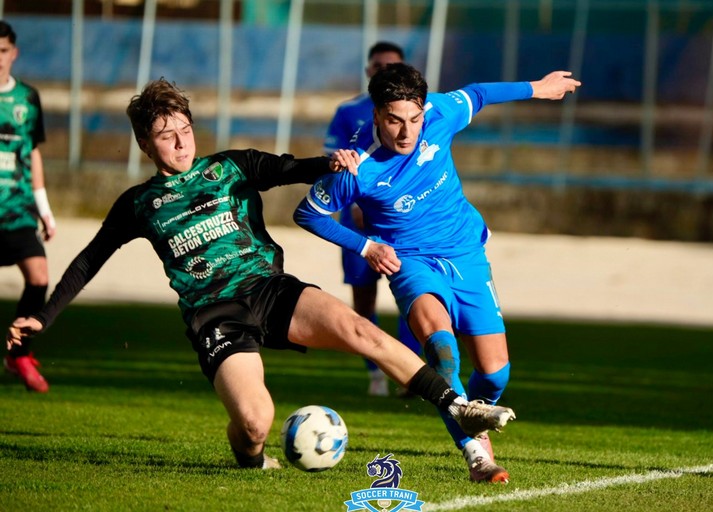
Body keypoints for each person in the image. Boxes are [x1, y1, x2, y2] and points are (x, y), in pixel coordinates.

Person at [6, 78, 516, 471]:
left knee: (366, 332)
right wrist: (43, 319)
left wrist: (335, 162)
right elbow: (88, 260)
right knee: (254, 424)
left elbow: (292, 168)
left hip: (271, 290)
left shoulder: (231, 167)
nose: (181, 143)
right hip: (215, 314)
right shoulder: (138, 204)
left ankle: (457, 405)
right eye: (166, 136)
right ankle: (252, 460)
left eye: (185, 130)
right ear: (145, 142)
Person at [295, 63, 581, 482]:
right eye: (394, 121)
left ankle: (473, 419)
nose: (407, 132)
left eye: (414, 119)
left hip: (466, 252)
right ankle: (476, 455)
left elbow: (479, 91)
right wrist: (367, 246)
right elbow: (308, 213)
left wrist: (538, 88)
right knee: (443, 349)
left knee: (496, 372)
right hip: (410, 262)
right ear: (376, 115)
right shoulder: (358, 165)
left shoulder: (440, 113)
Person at [324, 41, 420, 397]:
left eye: (390, 66)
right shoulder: (348, 111)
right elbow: (334, 163)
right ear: (368, 71)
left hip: (398, 225)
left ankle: (410, 374)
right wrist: (356, 202)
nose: (383, 71)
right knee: (363, 303)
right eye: (377, 66)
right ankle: (377, 372)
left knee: (412, 298)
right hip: (357, 226)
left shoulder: (414, 112)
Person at [0, 20, 56, 393]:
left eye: (2, 51)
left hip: (17, 211)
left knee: (38, 276)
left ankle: (19, 354)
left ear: (14, 53)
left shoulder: (27, 99)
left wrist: (45, 209)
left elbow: (32, 152)